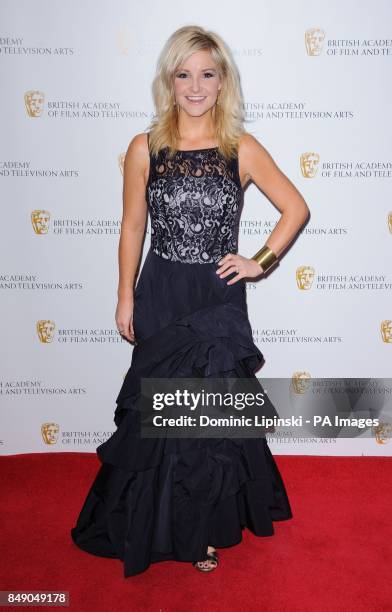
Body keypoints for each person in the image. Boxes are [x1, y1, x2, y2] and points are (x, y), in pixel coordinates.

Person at [70, 24, 310, 577]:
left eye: (207, 73)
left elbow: (295, 208)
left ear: (222, 81)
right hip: (161, 292)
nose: (195, 86)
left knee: (207, 423)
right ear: (169, 80)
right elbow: (133, 226)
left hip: (217, 300)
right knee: (158, 416)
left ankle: (200, 532)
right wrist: (124, 295)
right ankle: (151, 522)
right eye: (184, 74)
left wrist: (259, 262)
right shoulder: (145, 147)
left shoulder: (239, 148)